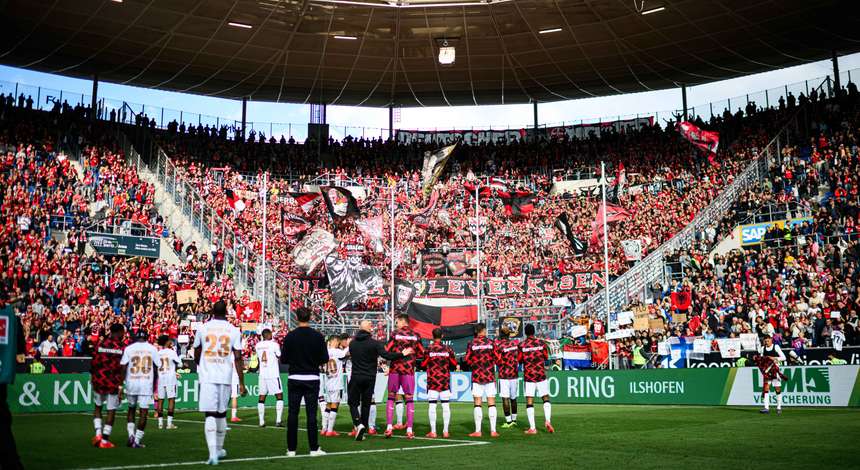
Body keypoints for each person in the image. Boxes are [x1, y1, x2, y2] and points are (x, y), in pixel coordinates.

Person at [193, 300, 246, 465]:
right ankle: (219, 449)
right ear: (227, 313)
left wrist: (202, 365)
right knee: (222, 413)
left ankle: (213, 454)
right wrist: (242, 382)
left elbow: (196, 351)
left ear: (212, 311)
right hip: (225, 375)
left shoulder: (202, 328)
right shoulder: (234, 330)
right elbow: (238, 358)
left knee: (209, 413)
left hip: (207, 376)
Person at [348, 320, 411, 442]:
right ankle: (363, 429)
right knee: (366, 404)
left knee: (353, 403)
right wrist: (401, 354)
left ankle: (358, 423)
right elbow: (387, 355)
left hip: (356, 376)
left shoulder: (352, 344)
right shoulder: (374, 343)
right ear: (370, 329)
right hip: (370, 377)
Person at [280, 306, 329, 457]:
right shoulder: (317, 336)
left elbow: (284, 359)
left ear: (296, 317)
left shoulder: (290, 336)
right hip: (312, 378)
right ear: (310, 317)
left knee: (293, 414)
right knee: (311, 415)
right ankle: (313, 448)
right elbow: (324, 359)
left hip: (295, 377)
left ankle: (291, 449)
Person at [384, 314, 424, 439]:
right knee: (409, 398)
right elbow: (421, 353)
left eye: (397, 321)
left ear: (402, 321)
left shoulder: (394, 334)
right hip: (408, 370)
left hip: (395, 368)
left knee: (391, 397)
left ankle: (389, 428)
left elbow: (386, 349)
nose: (396, 324)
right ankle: (409, 430)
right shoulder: (416, 336)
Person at [120, 329, 160, 448]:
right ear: (147, 337)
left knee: (131, 409)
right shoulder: (152, 348)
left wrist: (121, 384)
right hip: (146, 383)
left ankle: (131, 435)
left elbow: (123, 367)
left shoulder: (129, 348)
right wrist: (154, 385)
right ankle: (136, 441)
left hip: (131, 382)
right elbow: (156, 368)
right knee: (143, 412)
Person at [90, 323, 126, 449]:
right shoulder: (122, 347)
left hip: (99, 379)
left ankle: (98, 434)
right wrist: (121, 385)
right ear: (121, 332)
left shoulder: (100, 344)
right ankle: (105, 440)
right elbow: (123, 368)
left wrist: (93, 377)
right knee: (111, 410)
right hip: (113, 382)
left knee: (98, 407)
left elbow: (93, 362)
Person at [421, 328, 458, 438]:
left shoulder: (428, 348)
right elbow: (454, 363)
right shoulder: (447, 348)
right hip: (444, 381)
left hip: (432, 381)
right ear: (442, 336)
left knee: (432, 406)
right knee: (446, 406)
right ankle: (445, 431)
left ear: (432, 336)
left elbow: (423, 364)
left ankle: (433, 431)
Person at [465, 323, 499, 437]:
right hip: (489, 375)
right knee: (491, 402)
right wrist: (489, 363)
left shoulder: (472, 343)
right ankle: (493, 430)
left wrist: (475, 364)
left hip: (477, 376)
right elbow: (498, 358)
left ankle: (478, 431)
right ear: (483, 331)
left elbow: (467, 359)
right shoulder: (491, 342)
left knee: (477, 403)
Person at [519, 324, 554, 434]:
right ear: (534, 332)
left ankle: (533, 428)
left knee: (529, 401)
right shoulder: (541, 343)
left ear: (525, 333)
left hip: (529, 375)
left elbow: (519, 360)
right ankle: (548, 420)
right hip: (540, 374)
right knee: (545, 398)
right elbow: (546, 357)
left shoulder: (522, 345)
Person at [255, 328, 284, 427]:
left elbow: (259, 359)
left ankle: (261, 421)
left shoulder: (258, 345)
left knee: (262, 397)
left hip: (262, 374)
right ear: (269, 335)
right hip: (273, 374)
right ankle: (278, 420)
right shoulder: (275, 345)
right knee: (279, 396)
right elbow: (279, 356)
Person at [322, 335, 348, 436]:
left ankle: (324, 428)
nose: (339, 344)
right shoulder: (337, 352)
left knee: (328, 405)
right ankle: (330, 430)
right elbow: (345, 353)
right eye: (338, 342)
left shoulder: (326, 352)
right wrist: (350, 344)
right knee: (334, 405)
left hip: (328, 382)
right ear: (335, 341)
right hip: (336, 382)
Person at [495, 325, 520, 428]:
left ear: (501, 335)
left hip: (504, 375)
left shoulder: (499, 346)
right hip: (514, 374)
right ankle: (514, 420)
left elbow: (498, 360)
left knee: (505, 398)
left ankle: (508, 421)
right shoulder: (515, 344)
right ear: (509, 334)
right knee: (513, 398)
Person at [755, 335, 787, 414]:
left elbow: (784, 357)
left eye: (768, 341)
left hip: (775, 371)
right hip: (767, 371)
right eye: (765, 341)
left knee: (777, 389)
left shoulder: (776, 347)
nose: (766, 342)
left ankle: (779, 407)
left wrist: (774, 358)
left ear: (771, 340)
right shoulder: (763, 349)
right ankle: (766, 408)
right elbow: (762, 360)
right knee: (766, 389)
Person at [155, 335, 182, 430]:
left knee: (160, 401)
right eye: (169, 340)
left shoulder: (158, 353)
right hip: (170, 377)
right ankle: (169, 423)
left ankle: (160, 424)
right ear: (166, 342)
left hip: (161, 377)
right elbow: (180, 363)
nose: (171, 341)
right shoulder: (171, 352)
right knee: (171, 400)